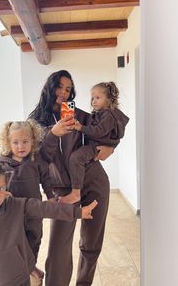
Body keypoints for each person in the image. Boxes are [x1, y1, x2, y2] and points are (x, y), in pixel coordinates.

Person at [0, 160, 97, 286]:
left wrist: (77, 212)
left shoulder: (17, 206)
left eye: (0, 188)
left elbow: (45, 208)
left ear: (6, 187)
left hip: (21, 278)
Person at [29, 70, 114, 286]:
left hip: (94, 181)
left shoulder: (75, 112)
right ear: (50, 87)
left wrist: (110, 147)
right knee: (59, 247)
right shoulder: (36, 120)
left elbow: (103, 127)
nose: (64, 92)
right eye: (59, 86)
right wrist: (52, 133)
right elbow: (37, 157)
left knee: (91, 243)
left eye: (68, 89)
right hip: (62, 190)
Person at [0, 120, 54, 284]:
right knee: (14, 243)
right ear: (8, 142)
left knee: (34, 239)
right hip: (12, 213)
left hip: (34, 211)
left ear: (33, 142)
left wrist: (51, 197)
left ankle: (30, 267)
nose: (20, 146)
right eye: (15, 142)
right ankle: (20, 272)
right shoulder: (1, 163)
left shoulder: (36, 161)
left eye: (25, 142)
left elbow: (46, 180)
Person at [61, 81, 129, 204]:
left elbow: (99, 131)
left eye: (97, 98)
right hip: (92, 148)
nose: (93, 101)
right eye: (92, 98)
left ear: (109, 99)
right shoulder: (101, 114)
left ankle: (75, 192)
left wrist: (80, 127)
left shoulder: (108, 115)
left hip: (95, 147)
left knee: (76, 158)